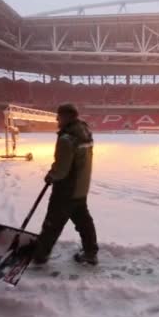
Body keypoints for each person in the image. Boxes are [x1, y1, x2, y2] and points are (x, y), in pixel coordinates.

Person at [31, 103, 98, 266]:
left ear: (67, 116)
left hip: (66, 190)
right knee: (84, 222)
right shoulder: (85, 132)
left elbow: (61, 169)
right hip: (81, 188)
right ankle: (90, 253)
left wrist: (50, 176)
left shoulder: (66, 138)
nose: (56, 119)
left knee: (52, 224)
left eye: (59, 116)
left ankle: (40, 256)